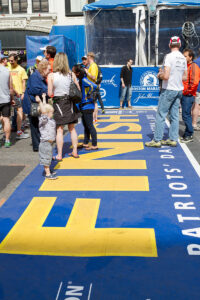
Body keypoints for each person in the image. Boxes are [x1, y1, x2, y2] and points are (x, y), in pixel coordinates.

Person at [145, 36, 187, 148]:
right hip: (178, 89)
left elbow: (166, 76)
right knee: (174, 116)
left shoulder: (169, 56)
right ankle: (173, 139)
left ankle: (157, 140)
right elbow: (185, 77)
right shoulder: (183, 58)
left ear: (169, 45)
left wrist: (160, 74)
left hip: (169, 89)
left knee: (160, 115)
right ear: (179, 45)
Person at [48, 52, 80, 160]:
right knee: (72, 128)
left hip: (58, 102)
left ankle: (60, 154)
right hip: (70, 102)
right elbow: (78, 90)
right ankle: (75, 152)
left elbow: (49, 93)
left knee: (60, 129)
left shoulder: (51, 76)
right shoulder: (71, 74)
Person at [23, 59, 50, 151]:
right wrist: (47, 91)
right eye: (48, 69)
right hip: (33, 104)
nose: (49, 71)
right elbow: (33, 90)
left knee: (37, 124)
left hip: (36, 104)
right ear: (44, 69)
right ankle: (37, 145)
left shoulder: (39, 76)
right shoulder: (35, 76)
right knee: (35, 125)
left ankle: (39, 144)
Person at [74, 65, 98, 150]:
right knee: (86, 125)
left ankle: (94, 144)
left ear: (79, 73)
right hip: (84, 106)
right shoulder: (81, 79)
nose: (74, 74)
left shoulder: (83, 79)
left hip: (87, 106)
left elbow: (94, 86)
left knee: (90, 125)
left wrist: (88, 95)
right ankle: (85, 142)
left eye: (75, 72)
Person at [180, 49, 200, 143]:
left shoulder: (194, 66)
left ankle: (189, 134)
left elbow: (195, 81)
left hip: (188, 94)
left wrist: (188, 91)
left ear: (190, 57)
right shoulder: (186, 66)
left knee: (186, 115)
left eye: (185, 56)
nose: (183, 57)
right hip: (184, 93)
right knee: (186, 114)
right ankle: (187, 132)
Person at [8, 53, 29, 139]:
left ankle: (18, 129)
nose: (10, 62)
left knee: (19, 111)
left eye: (12, 61)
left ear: (16, 60)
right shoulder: (7, 67)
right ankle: (15, 129)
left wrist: (23, 92)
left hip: (18, 93)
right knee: (8, 113)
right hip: (7, 93)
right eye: (9, 60)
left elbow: (24, 82)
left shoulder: (21, 69)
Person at [38, 101, 57, 180]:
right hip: (45, 143)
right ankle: (48, 173)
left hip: (49, 143)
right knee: (46, 158)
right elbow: (44, 113)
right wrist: (39, 102)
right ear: (47, 113)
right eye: (51, 112)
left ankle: (48, 171)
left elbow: (45, 109)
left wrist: (43, 99)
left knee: (48, 157)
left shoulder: (50, 120)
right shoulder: (43, 120)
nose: (52, 114)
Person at [0, 54, 14, 148]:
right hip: (5, 99)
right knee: (6, 119)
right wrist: (12, 99)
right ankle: (7, 140)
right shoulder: (7, 70)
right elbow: (11, 87)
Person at [85, 52, 99, 123]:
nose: (86, 58)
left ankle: (93, 118)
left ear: (89, 57)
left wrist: (87, 72)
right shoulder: (92, 65)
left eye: (87, 57)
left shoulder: (93, 65)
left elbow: (93, 77)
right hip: (92, 87)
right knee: (94, 103)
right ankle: (94, 118)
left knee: (93, 103)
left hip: (92, 88)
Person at [192, 49, 200, 130]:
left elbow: (193, 76)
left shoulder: (195, 62)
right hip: (198, 87)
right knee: (197, 106)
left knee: (196, 105)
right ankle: (194, 124)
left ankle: (194, 123)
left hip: (197, 87)